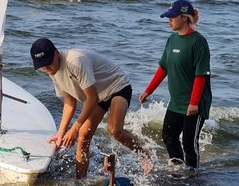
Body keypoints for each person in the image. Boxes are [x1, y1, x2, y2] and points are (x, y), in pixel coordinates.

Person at [31, 37, 153, 178]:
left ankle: (144, 154)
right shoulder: (52, 71)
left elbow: (92, 98)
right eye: (42, 66)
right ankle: (81, 183)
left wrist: (74, 128)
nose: (47, 69)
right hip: (98, 96)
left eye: (48, 63)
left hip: (117, 86)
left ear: (57, 53)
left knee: (114, 130)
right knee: (83, 137)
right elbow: (70, 102)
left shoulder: (75, 61)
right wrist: (60, 133)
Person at [138, 0, 211, 172]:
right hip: (176, 101)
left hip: (195, 102)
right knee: (169, 136)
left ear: (184, 17)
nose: (169, 20)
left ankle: (193, 175)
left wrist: (194, 103)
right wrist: (148, 90)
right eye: (168, 17)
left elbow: (201, 76)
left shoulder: (198, 42)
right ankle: (178, 169)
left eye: (172, 17)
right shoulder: (171, 40)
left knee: (189, 142)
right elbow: (164, 68)